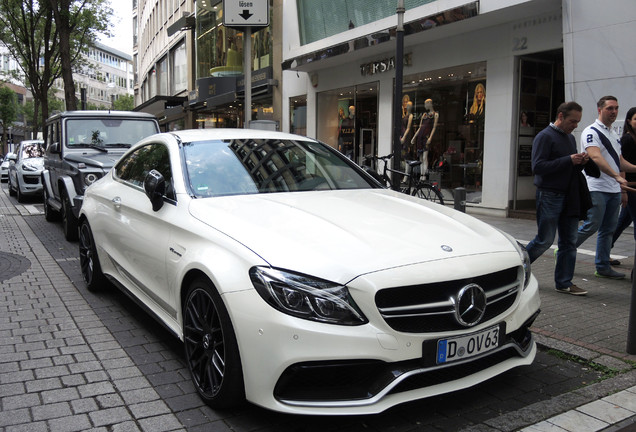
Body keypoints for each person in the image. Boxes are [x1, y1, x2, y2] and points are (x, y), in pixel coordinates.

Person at [525, 101, 590, 296]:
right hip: (550, 194)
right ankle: (515, 268)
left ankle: (564, 282)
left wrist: (579, 161)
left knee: (569, 241)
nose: (575, 125)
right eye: (573, 121)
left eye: (578, 122)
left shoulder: (569, 138)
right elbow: (538, 167)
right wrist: (569, 159)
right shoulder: (544, 136)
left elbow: (565, 166)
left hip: (569, 196)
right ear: (560, 116)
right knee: (544, 240)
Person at [575, 96, 636, 279]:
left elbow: (619, 161)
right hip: (596, 186)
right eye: (610, 108)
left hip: (613, 189)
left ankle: (602, 267)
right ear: (599, 109)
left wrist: (632, 169)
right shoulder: (591, 131)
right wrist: (617, 176)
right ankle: (565, 247)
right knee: (592, 224)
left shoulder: (613, 134)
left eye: (616, 108)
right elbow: (596, 157)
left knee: (608, 229)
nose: (614, 111)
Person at [610, 107, 636, 258]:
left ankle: (604, 251)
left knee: (623, 222)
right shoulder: (627, 139)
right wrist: (623, 190)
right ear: (629, 121)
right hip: (630, 188)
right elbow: (621, 165)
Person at [412, 98, 439, 176]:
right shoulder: (424, 115)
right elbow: (420, 127)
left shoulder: (435, 114)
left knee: (424, 157)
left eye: (425, 104)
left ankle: (424, 175)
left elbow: (434, 127)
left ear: (430, 103)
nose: (424, 105)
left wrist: (430, 137)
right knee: (420, 158)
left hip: (426, 137)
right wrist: (414, 137)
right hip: (420, 137)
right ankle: (421, 174)